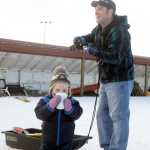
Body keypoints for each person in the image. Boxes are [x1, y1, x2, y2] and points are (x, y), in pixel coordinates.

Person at [72, 0, 134, 150]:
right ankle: (107, 147)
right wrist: (81, 39)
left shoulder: (119, 31)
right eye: (96, 9)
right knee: (102, 116)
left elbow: (115, 57)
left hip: (120, 80)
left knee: (119, 118)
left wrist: (93, 50)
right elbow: (90, 37)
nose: (96, 12)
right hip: (107, 80)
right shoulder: (99, 28)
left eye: (100, 9)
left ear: (110, 11)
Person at [34, 66, 83, 150]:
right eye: (57, 90)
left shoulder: (72, 102)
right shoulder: (45, 101)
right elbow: (39, 114)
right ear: (52, 90)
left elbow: (78, 113)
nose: (61, 92)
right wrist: (49, 106)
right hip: (48, 141)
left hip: (66, 141)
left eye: (64, 90)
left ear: (68, 91)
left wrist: (70, 109)